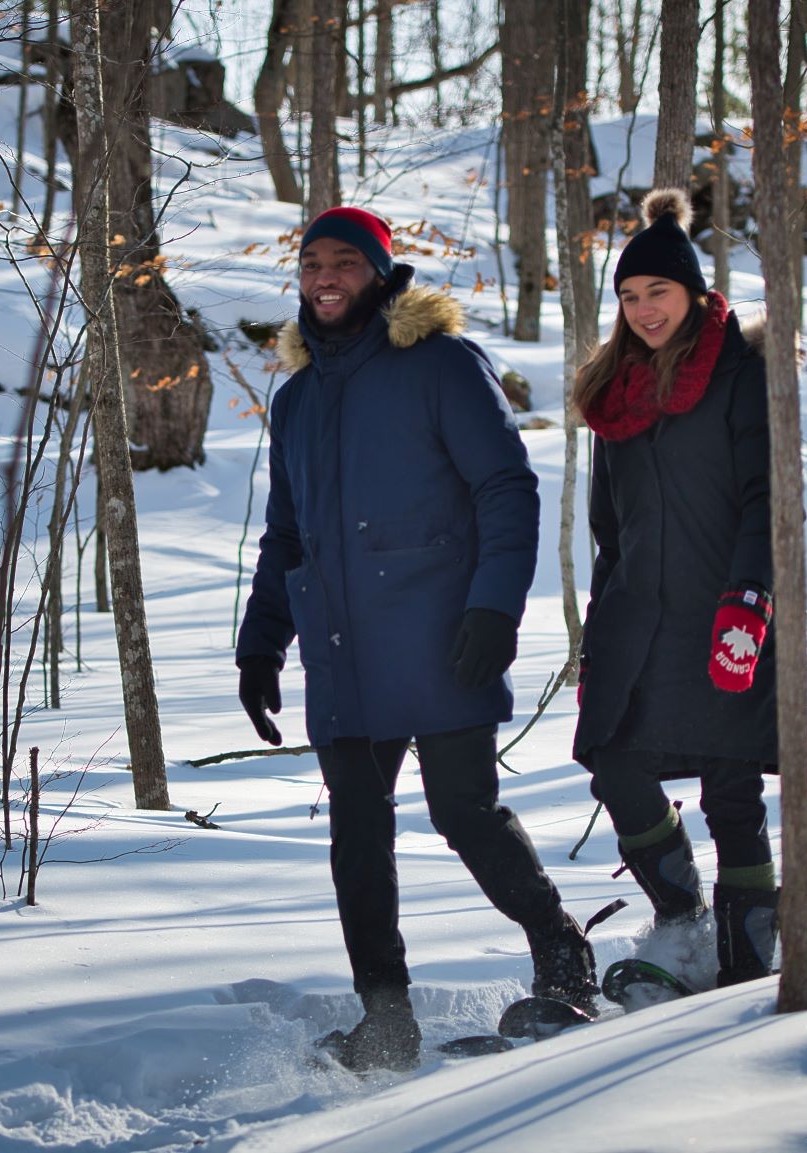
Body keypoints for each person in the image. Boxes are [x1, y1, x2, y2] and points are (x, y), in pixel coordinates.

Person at [236, 206, 596, 1072]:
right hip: (340, 645)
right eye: (312, 262)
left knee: (461, 809)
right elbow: (287, 534)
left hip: (440, 632)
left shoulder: (439, 365)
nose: (325, 277)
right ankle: (385, 1017)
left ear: (379, 273)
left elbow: (506, 490)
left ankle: (560, 949)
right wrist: (260, 643)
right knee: (357, 832)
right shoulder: (294, 399)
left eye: (345, 263)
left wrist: (492, 610)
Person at [571, 187, 780, 992]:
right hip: (636, 616)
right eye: (628, 296)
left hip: (726, 607)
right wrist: (599, 630)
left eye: (657, 291)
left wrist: (750, 598)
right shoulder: (614, 393)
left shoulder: (738, 374)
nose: (642, 308)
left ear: (692, 292)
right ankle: (683, 921)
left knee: (731, 783)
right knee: (612, 756)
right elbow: (608, 529)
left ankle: (751, 948)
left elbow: (764, 494)